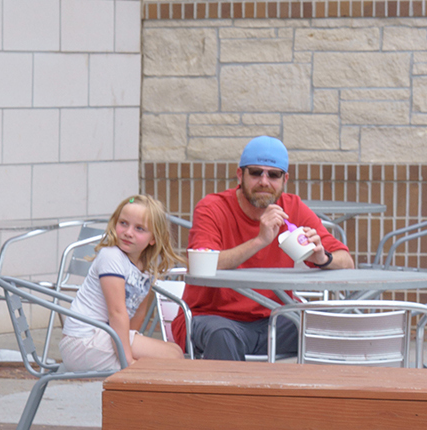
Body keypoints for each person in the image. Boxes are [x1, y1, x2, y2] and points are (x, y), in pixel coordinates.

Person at [182, 136, 354, 360]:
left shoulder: (292, 207)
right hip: (215, 316)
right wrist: (259, 240)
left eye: (273, 175)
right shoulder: (212, 207)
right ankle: (228, 396)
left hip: (275, 319)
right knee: (223, 336)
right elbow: (201, 264)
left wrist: (322, 257)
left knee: (328, 328)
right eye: (255, 173)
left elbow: (346, 261)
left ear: (285, 179)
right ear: (239, 175)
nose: (264, 181)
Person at [60, 194, 186, 371]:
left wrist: (133, 345)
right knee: (171, 358)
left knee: (175, 351)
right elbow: (117, 313)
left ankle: (141, 397)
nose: (128, 232)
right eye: (123, 223)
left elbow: (139, 312)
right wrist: (127, 360)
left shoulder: (149, 264)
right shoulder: (111, 256)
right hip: (83, 342)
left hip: (106, 338)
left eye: (139, 228)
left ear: (153, 238)